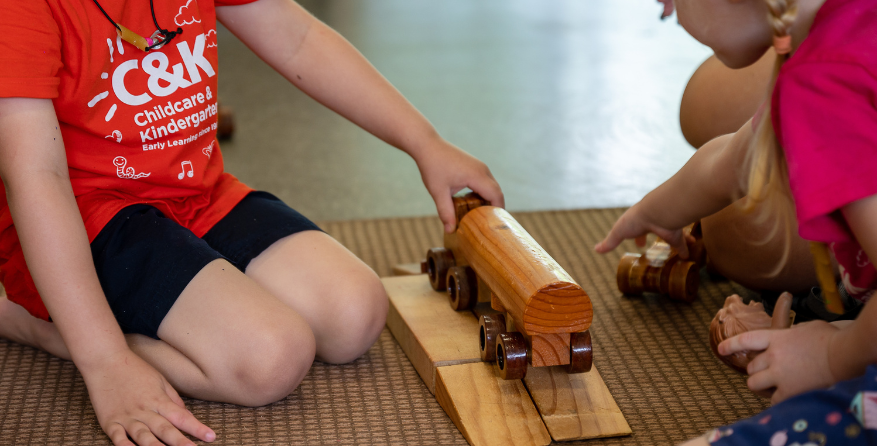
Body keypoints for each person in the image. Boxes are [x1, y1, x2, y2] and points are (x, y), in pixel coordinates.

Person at [0, 0, 503, 445]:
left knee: (355, 314)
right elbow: (36, 178)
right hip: (90, 218)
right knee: (271, 359)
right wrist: (104, 361)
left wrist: (425, 143)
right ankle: (47, 327)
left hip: (196, 192)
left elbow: (298, 37)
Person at [596, 0, 877, 443]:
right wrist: (654, 212)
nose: (669, 13)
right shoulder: (842, 31)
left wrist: (832, 357)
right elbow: (732, 163)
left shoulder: (825, 84)